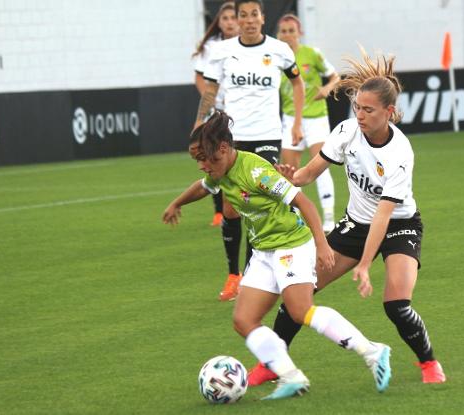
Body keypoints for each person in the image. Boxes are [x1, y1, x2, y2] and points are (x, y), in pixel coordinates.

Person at [248, 50, 447, 385]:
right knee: (301, 288)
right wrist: (289, 176)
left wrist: (365, 264)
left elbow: (384, 217)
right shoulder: (346, 132)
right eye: (357, 107)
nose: (360, 115)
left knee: (396, 304)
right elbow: (309, 174)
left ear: (390, 113)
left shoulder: (400, 152)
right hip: (356, 225)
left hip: (399, 226)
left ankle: (429, 363)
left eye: (368, 110)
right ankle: (272, 363)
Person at [162, 111, 392, 400]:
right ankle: (291, 377)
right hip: (263, 250)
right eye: (197, 160)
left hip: (291, 245)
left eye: (206, 159)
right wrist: (176, 203)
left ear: (223, 149)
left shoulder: (256, 171)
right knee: (243, 320)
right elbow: (204, 187)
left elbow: (303, 202)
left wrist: (322, 245)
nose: (202, 166)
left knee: (300, 310)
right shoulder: (220, 171)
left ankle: (372, 351)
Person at [194, 0, 305, 302]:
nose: (249, 20)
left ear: (262, 17)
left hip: (268, 135)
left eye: (254, 14)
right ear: (237, 20)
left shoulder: (279, 50)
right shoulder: (222, 51)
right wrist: (199, 122)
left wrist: (296, 122)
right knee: (231, 208)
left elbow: (298, 84)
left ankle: (254, 274)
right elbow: (211, 91)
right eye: (243, 15)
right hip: (234, 138)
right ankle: (234, 275)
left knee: (256, 201)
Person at [276, 14, 339, 233]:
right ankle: (298, 221)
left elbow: (335, 76)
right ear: (278, 34)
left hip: (316, 118)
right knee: (289, 173)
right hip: (290, 119)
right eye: (283, 31)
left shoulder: (312, 54)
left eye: (291, 31)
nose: (287, 35)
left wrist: (327, 89)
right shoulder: (274, 57)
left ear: (299, 33)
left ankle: (329, 218)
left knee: (319, 166)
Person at [193, 1, 238, 229]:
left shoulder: (249, 46)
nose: (230, 22)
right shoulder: (212, 47)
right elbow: (200, 78)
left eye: (233, 18)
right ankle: (219, 211)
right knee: (214, 159)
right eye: (225, 19)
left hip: (241, 113)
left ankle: (241, 207)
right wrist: (212, 101)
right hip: (217, 112)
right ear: (219, 23)